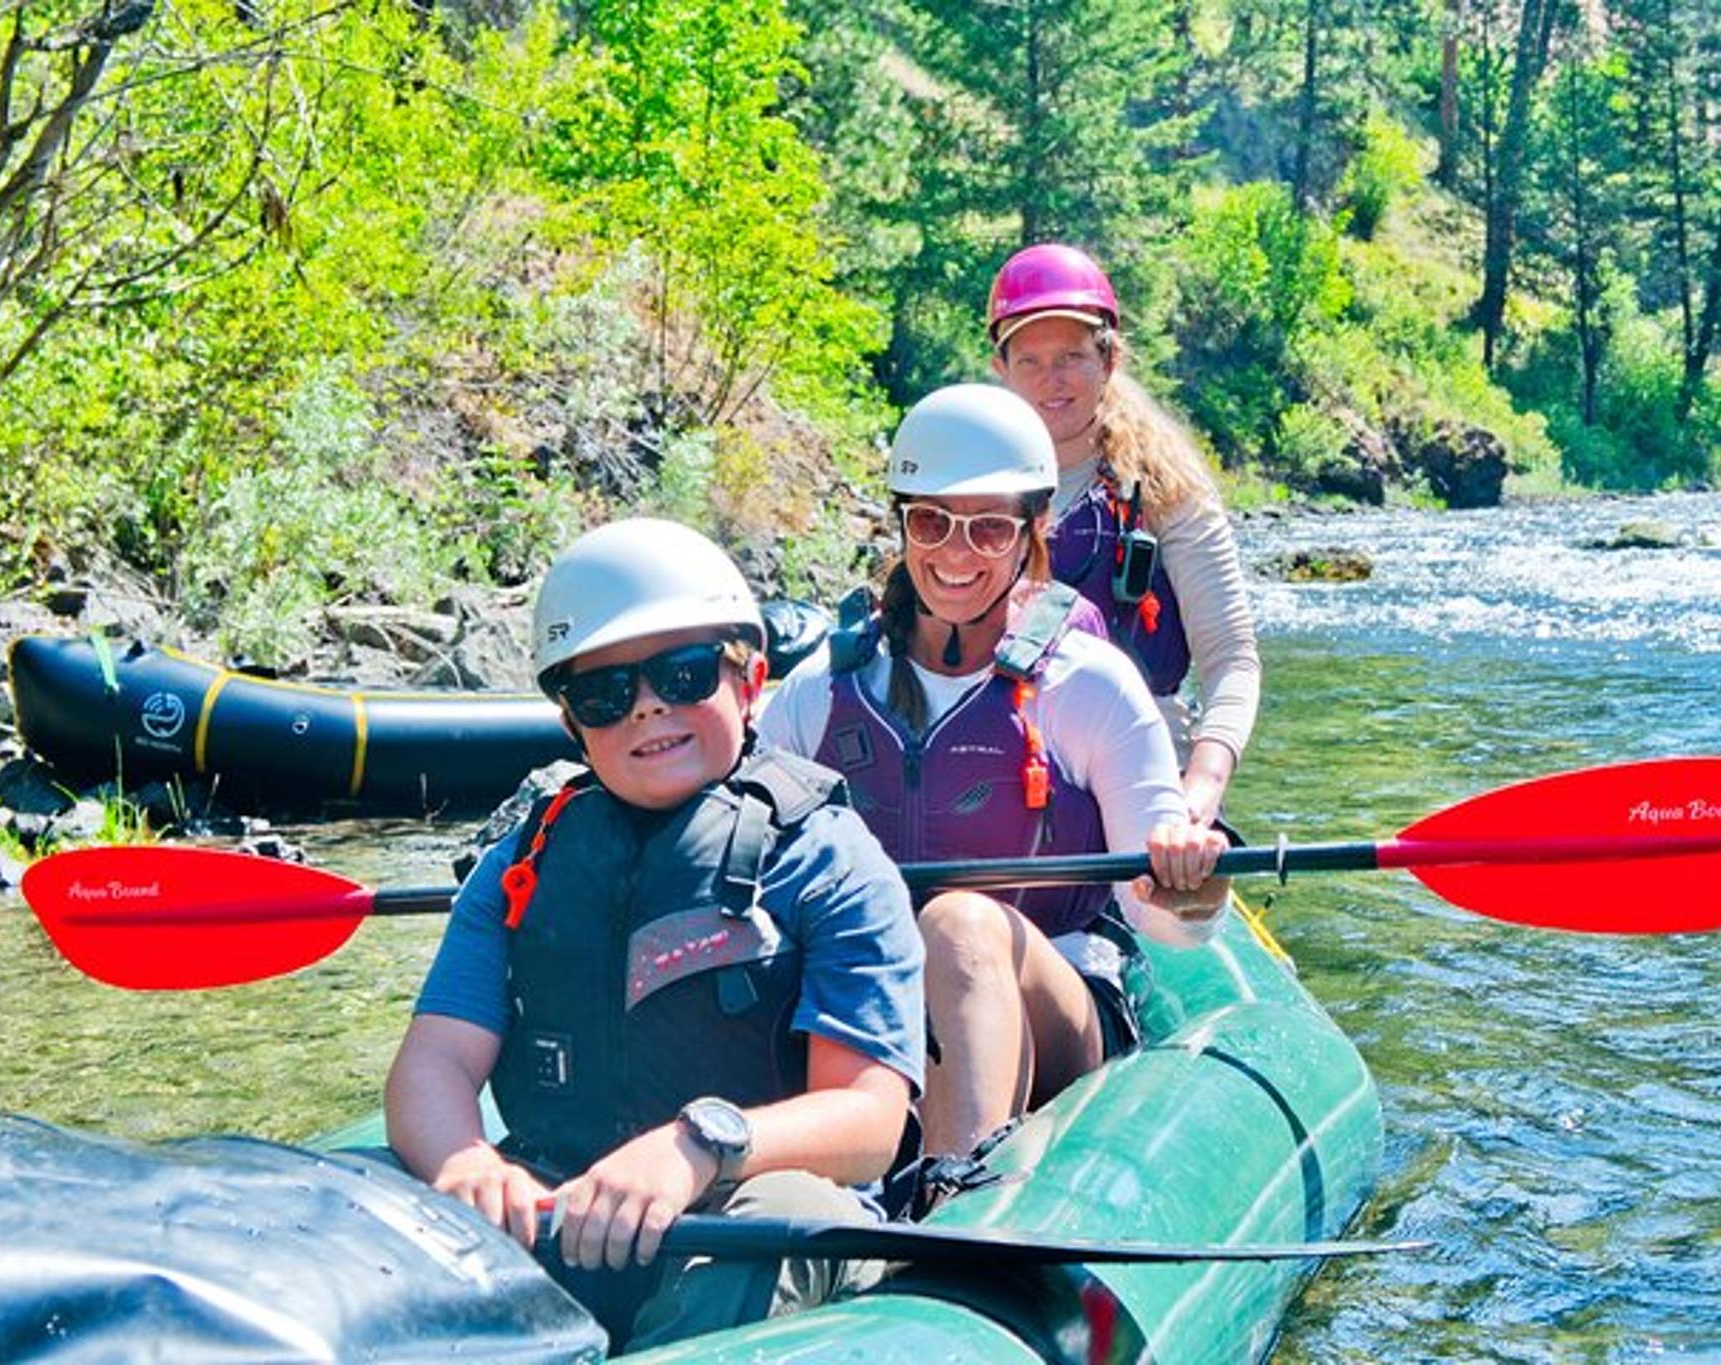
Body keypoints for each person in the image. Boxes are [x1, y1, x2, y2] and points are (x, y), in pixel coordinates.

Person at [384, 518, 925, 1352]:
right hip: (565, 1209)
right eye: (605, 693)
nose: (646, 707)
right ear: (572, 724)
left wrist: (698, 1147)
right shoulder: (521, 864)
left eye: (683, 673)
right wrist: (464, 1164)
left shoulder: (829, 858)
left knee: (793, 1209)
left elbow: (868, 1120)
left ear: (750, 682)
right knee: (369, 1198)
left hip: (744, 1213)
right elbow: (437, 1061)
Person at [758, 384, 1231, 1160]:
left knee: (959, 922)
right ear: (903, 523)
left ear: (1033, 531)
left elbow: (1167, 925)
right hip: (867, 1008)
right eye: (933, 522)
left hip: (1058, 1007)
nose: (954, 552)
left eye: (987, 529)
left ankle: (957, 1198)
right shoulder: (824, 690)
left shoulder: (1088, 685)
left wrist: (1188, 879)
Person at [987, 243, 1263, 827]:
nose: (1051, 381)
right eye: (1030, 361)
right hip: (1002, 769)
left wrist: (1203, 786)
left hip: (1146, 773)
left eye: (1071, 357)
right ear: (1001, 370)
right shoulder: (969, 488)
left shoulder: (1168, 487)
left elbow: (1232, 659)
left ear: (1108, 360)